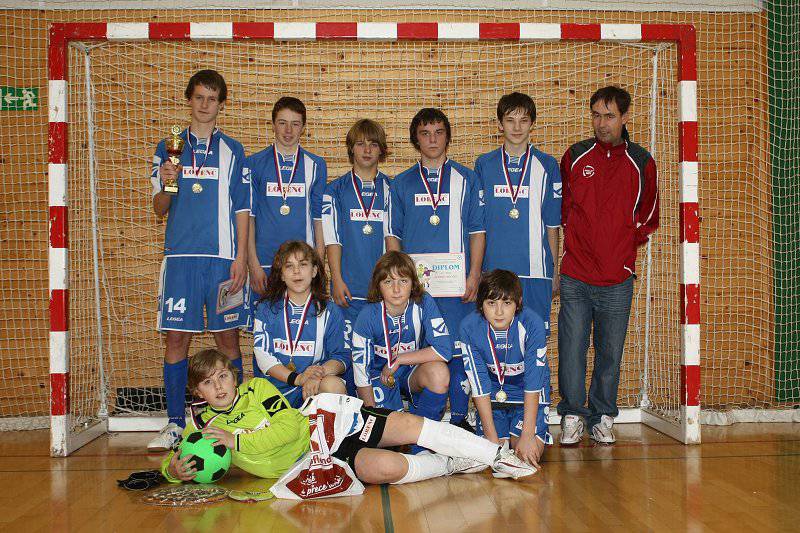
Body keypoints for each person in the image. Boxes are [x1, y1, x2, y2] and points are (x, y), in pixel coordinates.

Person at [161, 349, 537, 488]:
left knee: (405, 426)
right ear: (198, 392)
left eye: (223, 376)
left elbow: (289, 427)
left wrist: (237, 440)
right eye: (208, 383)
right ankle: (453, 462)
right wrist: (172, 471)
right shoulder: (201, 427)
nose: (219, 386)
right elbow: (176, 461)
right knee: (385, 468)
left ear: (234, 376)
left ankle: (497, 456)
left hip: (326, 424)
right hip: (313, 462)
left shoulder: (257, 388)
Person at [148, 69, 250, 450]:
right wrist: (168, 179)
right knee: (177, 339)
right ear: (189, 100)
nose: (205, 104)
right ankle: (175, 423)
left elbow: (242, 209)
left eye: (213, 98)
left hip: (222, 261)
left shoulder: (233, 150)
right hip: (181, 260)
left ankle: (239, 419)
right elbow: (159, 208)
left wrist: (241, 257)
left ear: (221, 104)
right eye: (200, 97)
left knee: (228, 340)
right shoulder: (168, 148)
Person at [558, 86, 659, 445]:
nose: (602, 124)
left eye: (610, 116)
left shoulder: (642, 161)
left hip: (618, 278)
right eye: (596, 115)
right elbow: (563, 210)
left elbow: (649, 214)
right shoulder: (575, 156)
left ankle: (602, 417)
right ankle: (572, 414)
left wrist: (623, 245)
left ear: (625, 117)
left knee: (610, 353)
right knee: (571, 349)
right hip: (575, 275)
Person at [386, 108, 485, 428]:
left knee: (457, 346)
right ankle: (418, 420)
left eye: (439, 132)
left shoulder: (467, 179)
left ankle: (459, 419)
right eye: (425, 133)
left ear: (448, 137)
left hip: (456, 284)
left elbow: (477, 231)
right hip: (416, 289)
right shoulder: (401, 183)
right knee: (420, 349)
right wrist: (397, 281)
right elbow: (392, 236)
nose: (432, 139)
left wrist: (474, 275)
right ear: (416, 138)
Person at [474, 92, 561, 333]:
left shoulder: (547, 165)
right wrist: (477, 270)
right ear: (500, 124)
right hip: (494, 271)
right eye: (510, 120)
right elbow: (478, 225)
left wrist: (554, 271)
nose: (517, 127)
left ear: (532, 124)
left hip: (536, 272)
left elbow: (552, 225)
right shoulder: (484, 164)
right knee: (494, 340)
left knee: (533, 341)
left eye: (523, 120)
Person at [321, 119, 392, 391]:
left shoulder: (392, 189)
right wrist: (337, 279)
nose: (367, 150)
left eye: (373, 144)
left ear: (381, 149)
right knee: (349, 354)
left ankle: (382, 406)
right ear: (351, 148)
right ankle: (347, 406)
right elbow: (333, 239)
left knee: (379, 353)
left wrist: (393, 285)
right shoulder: (335, 190)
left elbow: (393, 240)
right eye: (360, 144)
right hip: (348, 290)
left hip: (382, 291)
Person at [246, 97, 328, 326]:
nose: (288, 130)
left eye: (295, 124)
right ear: (273, 124)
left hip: (302, 267)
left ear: (303, 127)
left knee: (301, 330)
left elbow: (319, 219)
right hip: (264, 264)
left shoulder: (316, 165)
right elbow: (248, 218)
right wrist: (252, 264)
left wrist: (317, 265)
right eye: (282, 123)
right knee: (263, 330)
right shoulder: (254, 164)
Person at [351, 251, 452, 436]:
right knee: (382, 431)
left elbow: (444, 351)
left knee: (439, 373)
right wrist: (371, 415)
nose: (396, 289)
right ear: (378, 286)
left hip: (410, 372)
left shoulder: (424, 302)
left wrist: (398, 360)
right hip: (377, 376)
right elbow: (360, 371)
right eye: (388, 282)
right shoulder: (367, 315)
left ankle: (424, 440)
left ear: (413, 283)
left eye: (403, 281)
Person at [461, 270, 551, 469]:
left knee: (525, 456)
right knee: (493, 457)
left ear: (518, 303)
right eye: (491, 303)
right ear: (480, 304)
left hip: (528, 395)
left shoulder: (532, 323)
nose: (499, 312)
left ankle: (531, 432)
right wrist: (492, 443)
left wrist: (527, 435)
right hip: (494, 396)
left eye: (507, 303)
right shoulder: (469, 327)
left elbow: (534, 380)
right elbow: (479, 384)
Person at [252, 241, 349, 407]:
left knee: (333, 385)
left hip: (313, 386)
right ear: (282, 275)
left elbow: (341, 357)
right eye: (289, 266)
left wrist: (318, 374)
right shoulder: (266, 309)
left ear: (314, 271)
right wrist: (298, 378)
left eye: (303, 264)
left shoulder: (330, 311)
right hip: (274, 388)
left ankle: (328, 424)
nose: (296, 271)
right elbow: (263, 356)